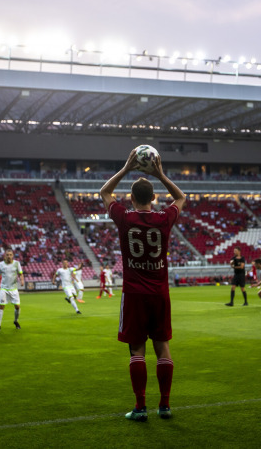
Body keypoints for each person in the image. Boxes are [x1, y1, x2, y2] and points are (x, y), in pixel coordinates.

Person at [100, 148, 185, 422]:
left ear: (132, 198)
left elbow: (104, 193)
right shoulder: (164, 220)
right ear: (154, 198)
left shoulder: (125, 218)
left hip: (134, 293)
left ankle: (140, 408)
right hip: (159, 293)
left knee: (137, 349)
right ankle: (165, 406)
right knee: (163, 347)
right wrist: (160, 173)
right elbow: (181, 197)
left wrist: (125, 169)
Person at [0, 249, 25, 331]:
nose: (9, 256)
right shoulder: (0, 264)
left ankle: (16, 321)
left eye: (10, 254)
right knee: (1, 306)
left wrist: (22, 280)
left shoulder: (16, 263)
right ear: (5, 256)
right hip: (3, 288)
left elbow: (21, 274)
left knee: (17, 307)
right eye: (7, 254)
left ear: (12, 255)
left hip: (14, 289)